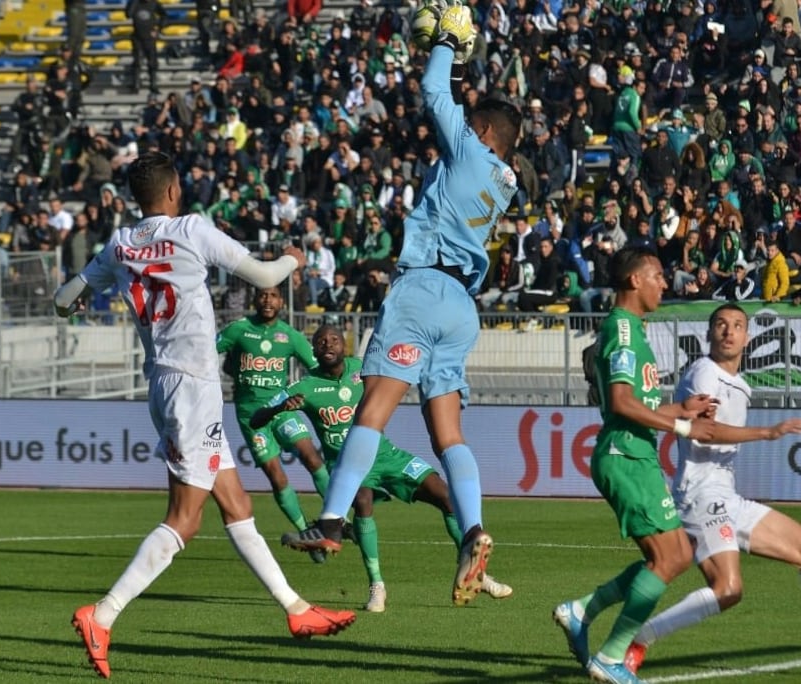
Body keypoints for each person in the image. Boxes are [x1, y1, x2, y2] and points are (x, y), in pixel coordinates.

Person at [53, 152, 353, 679]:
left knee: (236, 505)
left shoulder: (120, 245)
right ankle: (102, 614)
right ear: (172, 192)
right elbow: (263, 273)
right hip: (191, 386)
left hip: (167, 383)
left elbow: (63, 299)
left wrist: (80, 299)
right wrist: (292, 262)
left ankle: (297, 611)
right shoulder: (191, 229)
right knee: (183, 520)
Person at [280, 5, 522, 608]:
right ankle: (472, 529)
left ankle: (331, 522)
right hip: (461, 306)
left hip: (420, 292)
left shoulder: (469, 152)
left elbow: (432, 89)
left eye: (473, 124)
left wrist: (446, 43)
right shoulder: (505, 179)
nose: (464, 127)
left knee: (373, 411)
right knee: (448, 434)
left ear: (484, 133)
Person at [624, 304, 801, 679]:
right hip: (701, 496)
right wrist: (768, 432)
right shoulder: (705, 372)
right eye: (720, 325)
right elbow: (708, 431)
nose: (728, 331)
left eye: (737, 325)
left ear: (747, 338)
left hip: (725, 495)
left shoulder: (739, 384)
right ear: (709, 335)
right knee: (728, 589)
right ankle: (638, 640)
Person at [252, 325, 514, 613]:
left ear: (345, 346)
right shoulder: (304, 386)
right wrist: (279, 408)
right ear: (313, 351)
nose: (328, 344)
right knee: (363, 502)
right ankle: (377, 587)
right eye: (321, 341)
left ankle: (475, 571)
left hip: (387, 455)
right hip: (348, 465)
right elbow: (256, 418)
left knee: (447, 496)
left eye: (335, 339)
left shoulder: (363, 370)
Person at [552, 247, 722, 684]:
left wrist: (680, 409)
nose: (666, 283)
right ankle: (611, 656)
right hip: (627, 456)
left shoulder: (633, 331)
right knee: (669, 558)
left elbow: (638, 402)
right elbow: (623, 404)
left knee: (676, 555)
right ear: (634, 281)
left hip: (636, 455)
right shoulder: (623, 332)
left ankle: (582, 611)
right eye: (658, 275)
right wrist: (683, 431)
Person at [217, 285, 333, 562]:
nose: (268, 300)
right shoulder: (238, 330)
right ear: (254, 298)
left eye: (273, 296)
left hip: (281, 408)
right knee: (276, 475)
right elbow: (208, 353)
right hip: (250, 417)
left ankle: (334, 520)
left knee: (312, 458)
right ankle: (306, 530)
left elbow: (316, 368)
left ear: (282, 301)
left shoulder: (290, 336)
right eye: (262, 295)